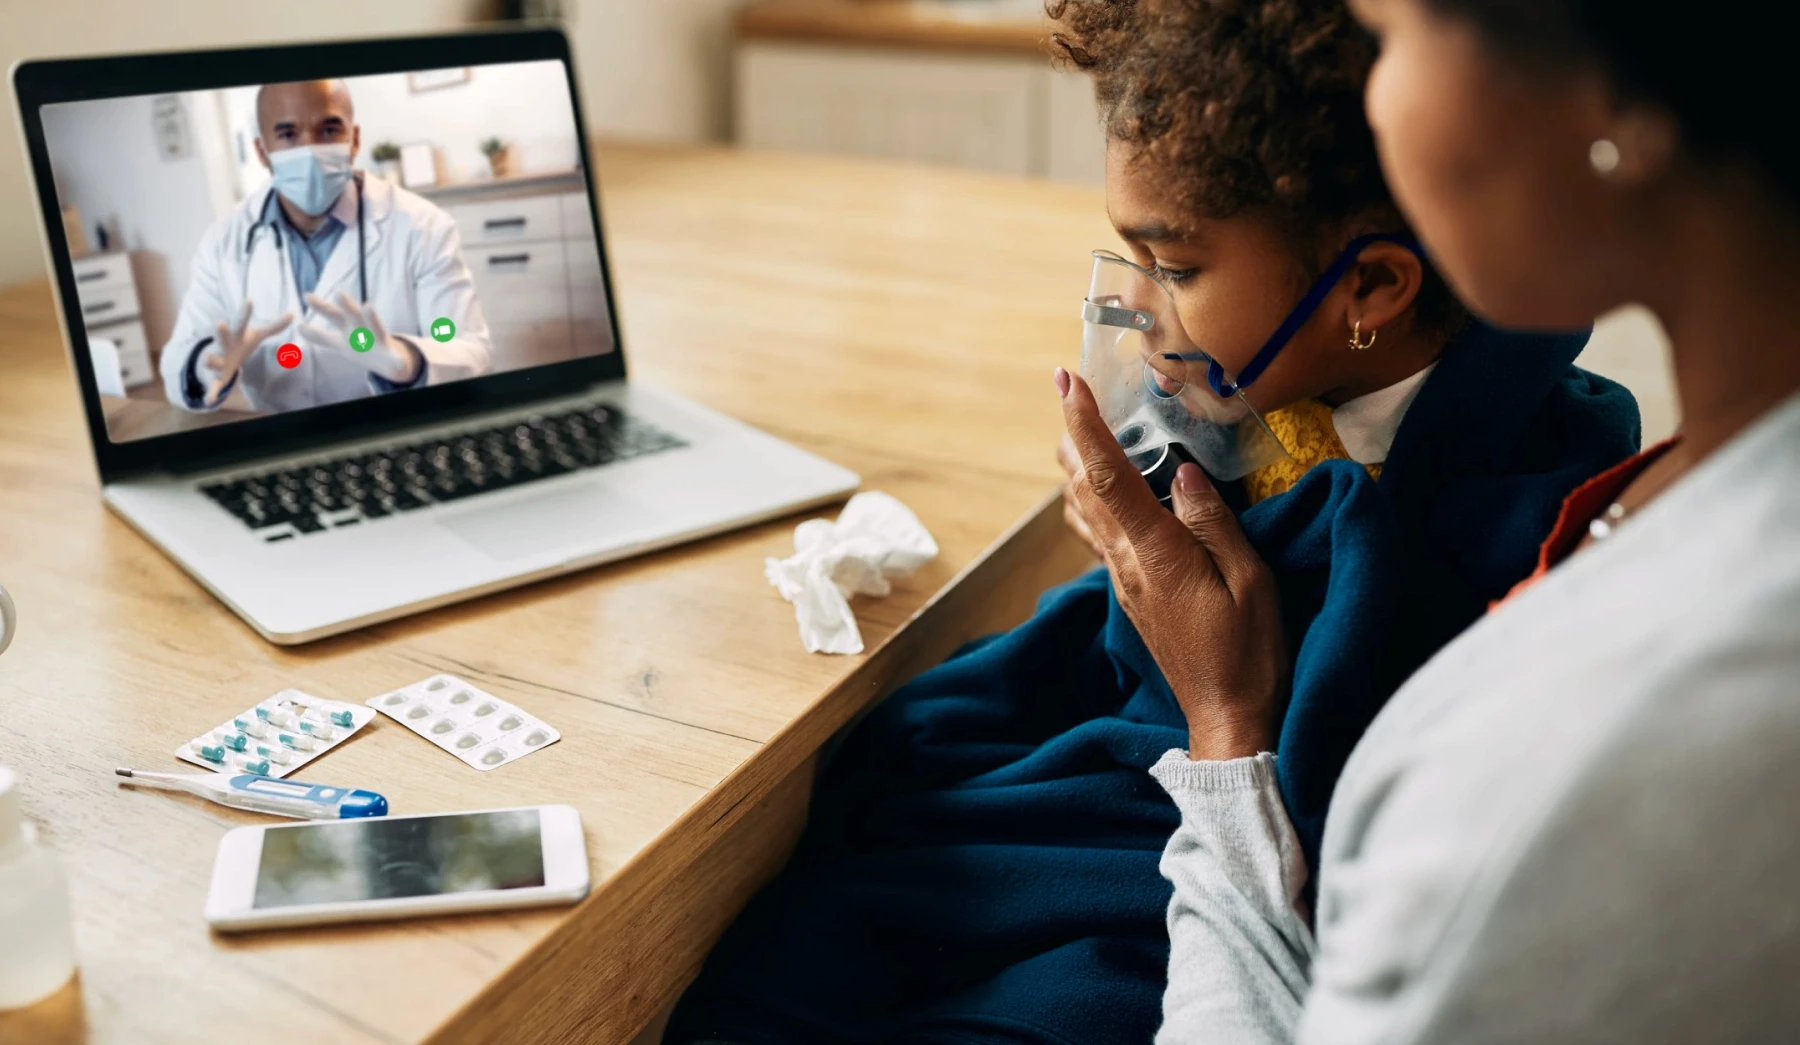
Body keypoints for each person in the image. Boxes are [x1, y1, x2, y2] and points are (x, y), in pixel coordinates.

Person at [663, 2, 1640, 1042]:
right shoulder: (1265, 395)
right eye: (1130, 255)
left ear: (1370, 286)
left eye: (1174, 269)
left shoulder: (1525, 530)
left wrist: (1218, 695)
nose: (1136, 311)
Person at [1055, 0, 1800, 1040]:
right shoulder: (1700, 485)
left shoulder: (1603, 739)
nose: (1374, 93)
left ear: (1620, 99)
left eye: (1396, 30)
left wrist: (1226, 727)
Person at [157, 79, 492, 414]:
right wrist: (205, 364)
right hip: (281, 432)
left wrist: (407, 360)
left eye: (329, 130)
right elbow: (177, 358)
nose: (310, 150)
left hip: (392, 423)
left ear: (354, 140)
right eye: (288, 134)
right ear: (262, 152)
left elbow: (469, 348)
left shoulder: (424, 226)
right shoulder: (223, 242)